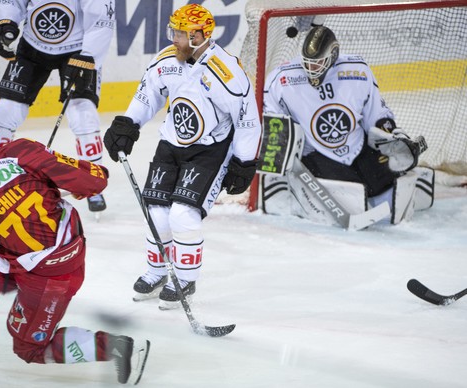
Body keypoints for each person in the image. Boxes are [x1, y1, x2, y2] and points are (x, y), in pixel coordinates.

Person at [0, 116, 150, 385]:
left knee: (28, 347)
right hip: (31, 254)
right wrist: (82, 180)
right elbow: (95, 180)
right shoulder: (20, 150)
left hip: (53, 266)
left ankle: (117, 347)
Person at [103, 4, 262, 310]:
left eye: (181, 33)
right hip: (171, 143)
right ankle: (157, 272)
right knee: (157, 212)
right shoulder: (167, 61)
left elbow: (247, 121)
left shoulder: (227, 73)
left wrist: (243, 162)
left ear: (201, 36)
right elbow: (147, 94)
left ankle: (185, 279)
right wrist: (128, 124)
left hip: (209, 150)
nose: (174, 38)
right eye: (173, 32)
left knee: (182, 215)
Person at [261, 25, 433, 225]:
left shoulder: (358, 71)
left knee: (389, 182)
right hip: (317, 154)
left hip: (357, 148)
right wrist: (278, 167)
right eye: (307, 63)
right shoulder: (280, 80)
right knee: (353, 192)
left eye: (317, 64)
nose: (311, 70)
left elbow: (376, 114)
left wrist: (391, 135)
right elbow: (274, 128)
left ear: (333, 55)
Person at [0, 0, 116, 214]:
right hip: (32, 47)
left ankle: (94, 181)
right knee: (7, 109)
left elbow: (102, 21)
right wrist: (7, 21)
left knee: (82, 112)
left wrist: (88, 57)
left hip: (77, 50)